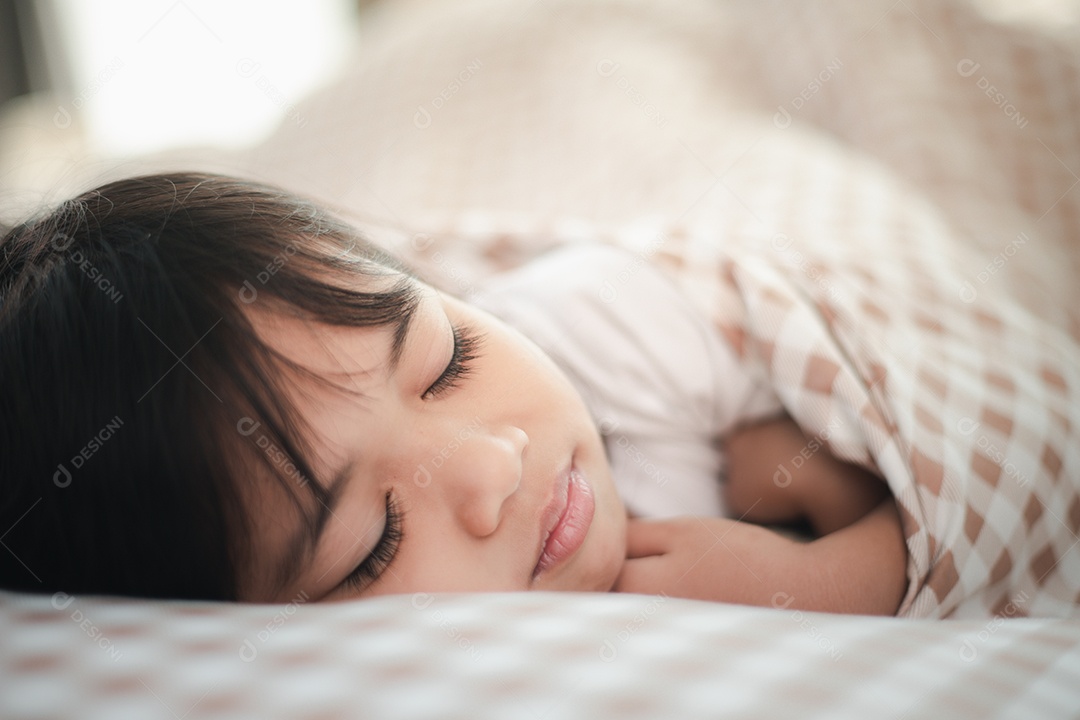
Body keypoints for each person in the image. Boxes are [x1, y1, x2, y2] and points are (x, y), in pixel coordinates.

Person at [0, 173, 907, 613]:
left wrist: (841, 565)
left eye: (447, 363)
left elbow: (1007, 436)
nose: (492, 462)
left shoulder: (619, 325)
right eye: (373, 543)